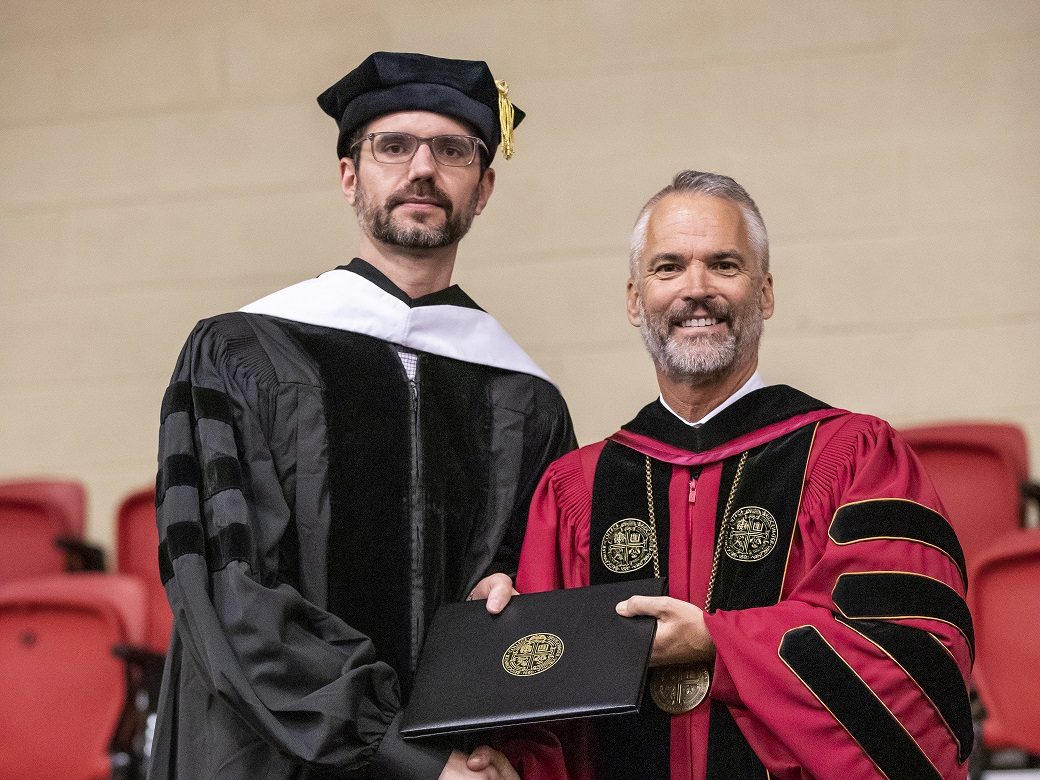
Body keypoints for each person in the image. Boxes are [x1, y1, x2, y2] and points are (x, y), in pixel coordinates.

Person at [149, 51, 575, 780]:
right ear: (350, 176)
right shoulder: (241, 354)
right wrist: (400, 751)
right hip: (268, 758)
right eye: (393, 146)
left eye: (452, 150)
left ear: (485, 187)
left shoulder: (525, 398)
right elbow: (231, 589)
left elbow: (533, 599)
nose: (421, 169)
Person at [506, 171, 973, 779]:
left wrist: (715, 642)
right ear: (633, 299)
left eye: (724, 265)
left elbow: (910, 660)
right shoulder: (575, 489)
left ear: (767, 293)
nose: (695, 290)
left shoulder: (855, 457)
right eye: (668, 267)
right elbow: (539, 712)